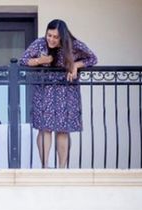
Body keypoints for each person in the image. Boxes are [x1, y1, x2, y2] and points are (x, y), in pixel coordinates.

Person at [20, 19, 97, 168]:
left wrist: (76, 64)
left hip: (66, 90)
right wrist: (39, 60)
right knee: (45, 127)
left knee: (63, 129)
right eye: (49, 35)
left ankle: (62, 169)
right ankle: (45, 166)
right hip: (45, 90)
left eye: (56, 37)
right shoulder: (40, 43)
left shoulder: (73, 45)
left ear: (62, 37)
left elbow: (92, 58)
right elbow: (23, 60)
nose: (51, 39)